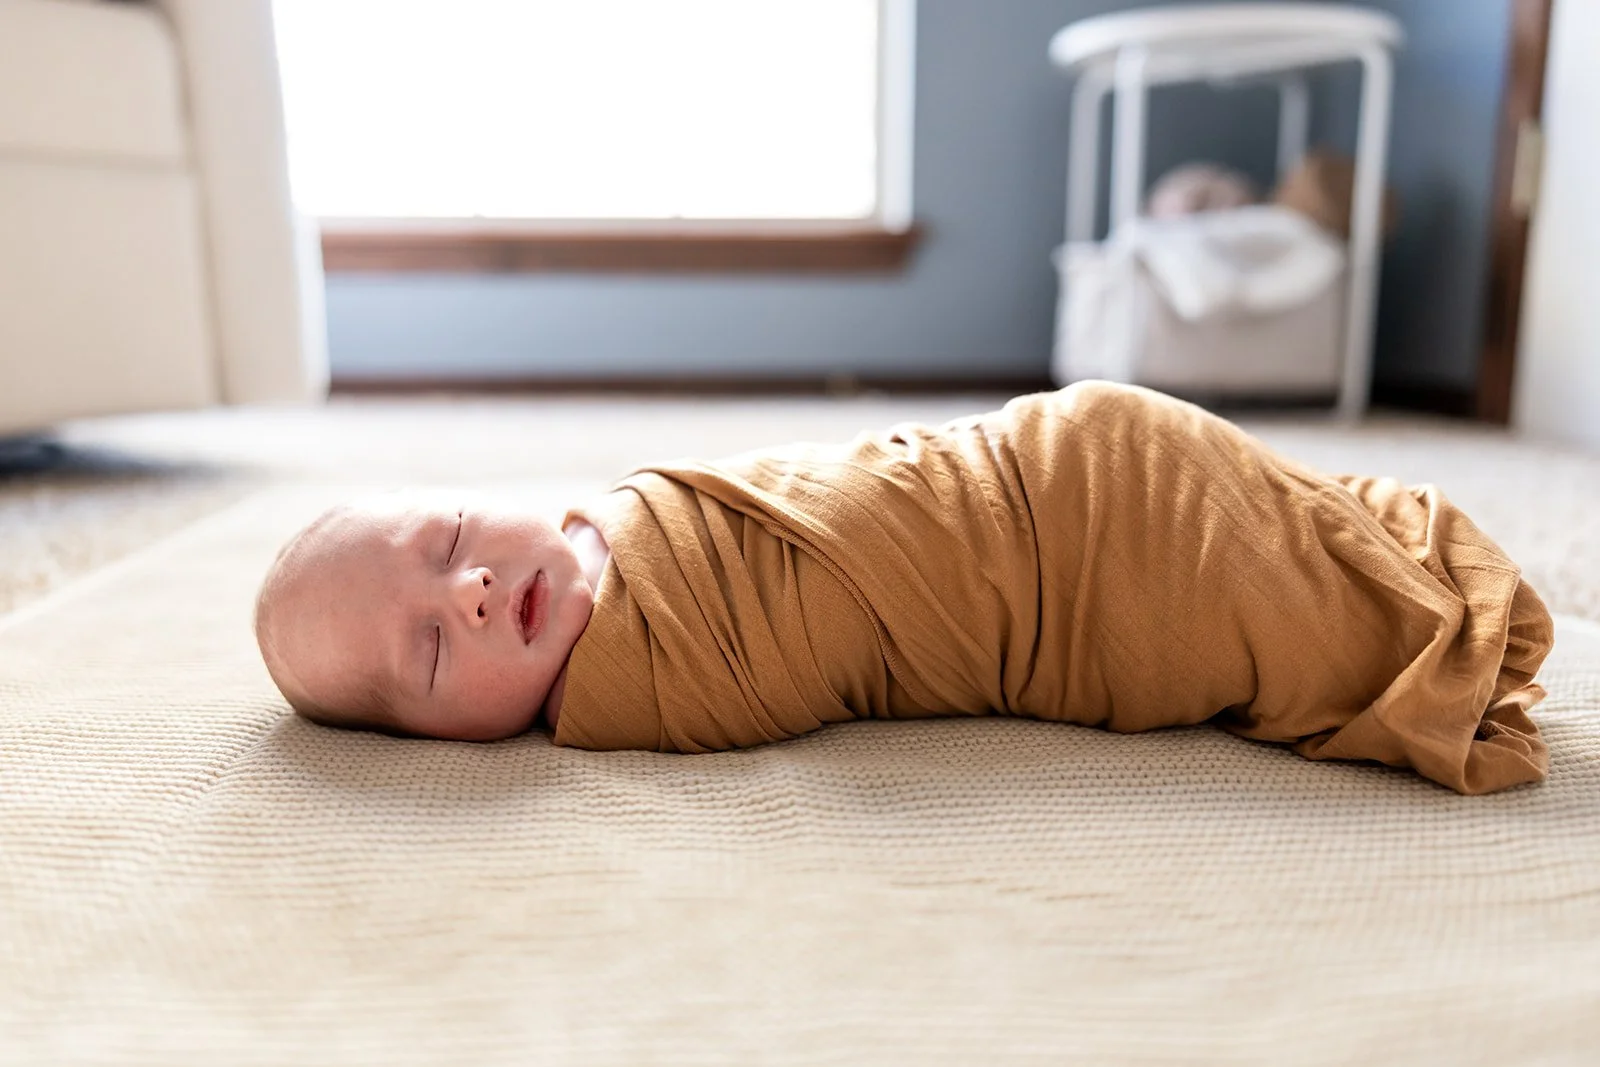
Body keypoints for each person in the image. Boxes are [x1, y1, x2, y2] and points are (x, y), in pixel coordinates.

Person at [254, 381, 1555, 795]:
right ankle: (1405, 608)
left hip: (1045, 463)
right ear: (436, 743)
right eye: (430, 651)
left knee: (1245, 511)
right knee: (1255, 587)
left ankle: (1373, 563)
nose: (473, 590)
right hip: (1067, 581)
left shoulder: (613, 503)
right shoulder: (621, 691)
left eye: (453, 538)